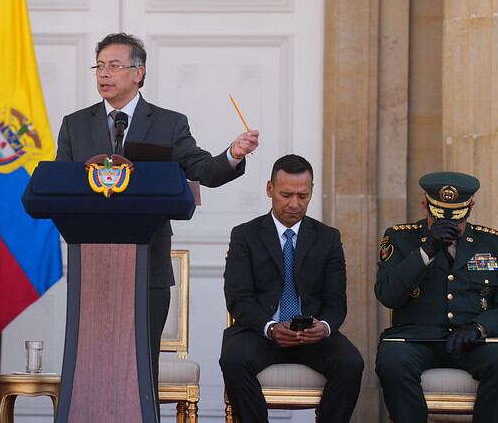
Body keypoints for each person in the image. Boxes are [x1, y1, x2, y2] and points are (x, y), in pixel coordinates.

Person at [55, 32, 260, 388]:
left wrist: (233, 154)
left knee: (140, 368)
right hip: (92, 263)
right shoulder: (75, 124)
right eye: (99, 66)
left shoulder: (168, 123)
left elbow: (203, 170)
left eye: (114, 66)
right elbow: (61, 185)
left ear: (138, 72)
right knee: (92, 367)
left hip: (147, 264)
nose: (104, 74)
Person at [219, 154, 364, 423]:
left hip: (311, 335)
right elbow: (238, 299)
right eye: (286, 194)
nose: (294, 204)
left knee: (351, 363)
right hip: (260, 330)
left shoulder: (328, 238)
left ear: (311, 192)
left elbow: (336, 301)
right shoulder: (244, 235)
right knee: (233, 359)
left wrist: (324, 326)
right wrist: (271, 327)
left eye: (303, 196)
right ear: (269, 189)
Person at [375, 171, 498, 423]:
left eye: (458, 219)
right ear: (424, 206)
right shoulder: (399, 237)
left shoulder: (493, 243)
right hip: (417, 340)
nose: (451, 226)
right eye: (440, 217)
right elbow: (388, 295)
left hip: (473, 342)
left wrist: (479, 326)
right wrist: (426, 250)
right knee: (392, 361)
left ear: (470, 207)